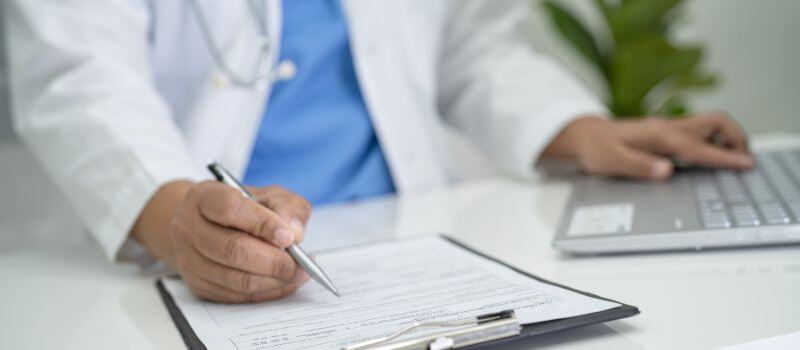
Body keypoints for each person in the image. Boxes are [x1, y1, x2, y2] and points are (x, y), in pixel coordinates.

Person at [2, 0, 753, 303]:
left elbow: (470, 44)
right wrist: (174, 219)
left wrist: (586, 132)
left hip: (406, 234)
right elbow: (77, 74)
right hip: (181, 249)